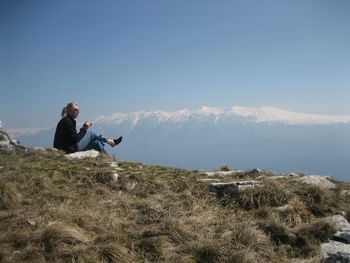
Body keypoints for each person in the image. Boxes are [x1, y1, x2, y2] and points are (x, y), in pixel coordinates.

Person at [53, 102, 122, 153]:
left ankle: (110, 161)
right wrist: (84, 128)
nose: (78, 112)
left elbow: (72, 138)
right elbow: (75, 139)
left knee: (96, 142)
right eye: (75, 110)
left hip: (68, 148)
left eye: (78, 110)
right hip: (67, 150)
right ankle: (111, 142)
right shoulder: (67, 121)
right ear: (69, 111)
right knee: (91, 134)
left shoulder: (68, 120)